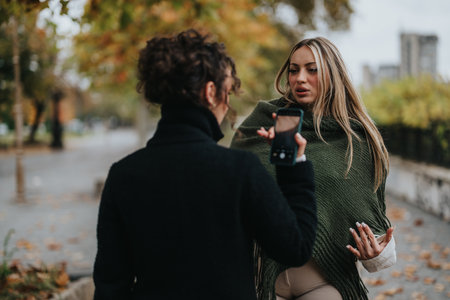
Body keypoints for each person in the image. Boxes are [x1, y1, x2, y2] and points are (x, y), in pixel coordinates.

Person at [93, 29, 317, 300]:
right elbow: (294, 248)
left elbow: (110, 284)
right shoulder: (239, 169)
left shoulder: (123, 175)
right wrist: (294, 166)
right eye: (228, 88)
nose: (229, 100)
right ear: (211, 92)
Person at [231, 37, 396, 300]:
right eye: (294, 70)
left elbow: (371, 222)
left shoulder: (358, 140)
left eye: (312, 69)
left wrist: (376, 253)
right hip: (258, 281)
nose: (300, 78)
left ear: (332, 74)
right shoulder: (264, 121)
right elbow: (231, 191)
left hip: (323, 283)